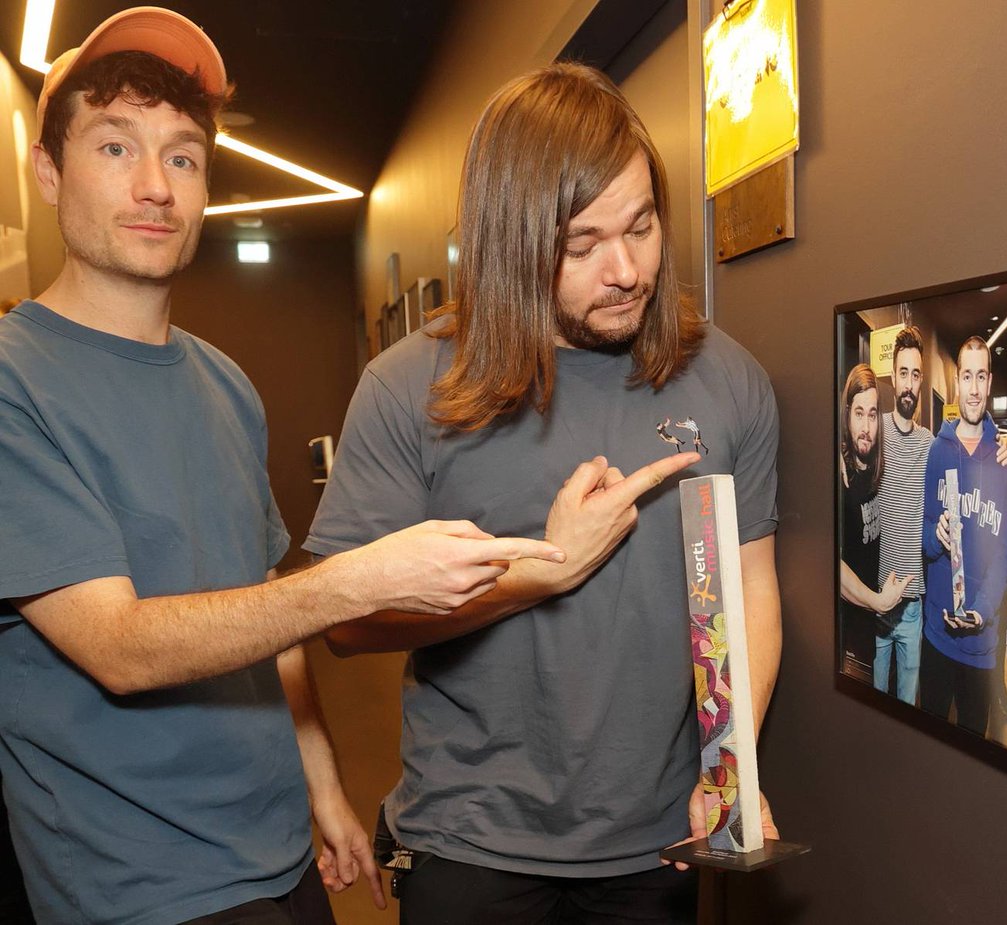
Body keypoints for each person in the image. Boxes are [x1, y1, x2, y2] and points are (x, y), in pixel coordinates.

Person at [0, 10, 562, 924]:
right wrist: (349, 583)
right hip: (136, 887)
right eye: (115, 147)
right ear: (49, 169)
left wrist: (324, 786)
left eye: (182, 157)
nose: (154, 186)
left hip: (279, 855)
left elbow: (263, 599)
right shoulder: (13, 380)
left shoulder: (223, 380)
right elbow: (117, 647)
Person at [304, 62, 782, 924]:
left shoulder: (728, 379)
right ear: (512, 241)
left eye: (642, 225)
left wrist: (732, 765)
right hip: (470, 838)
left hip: (657, 838)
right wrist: (544, 571)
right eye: (583, 244)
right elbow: (345, 622)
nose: (628, 268)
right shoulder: (407, 386)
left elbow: (749, 591)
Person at [920, 337, 1007, 735]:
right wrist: (934, 536)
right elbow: (922, 539)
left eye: (981, 376)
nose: (974, 389)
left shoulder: (1004, 458)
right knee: (930, 749)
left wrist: (982, 608)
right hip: (937, 637)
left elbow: (1005, 552)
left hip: (980, 647)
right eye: (967, 377)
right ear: (957, 382)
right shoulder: (938, 452)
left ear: (989, 382)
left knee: (975, 762)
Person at [838, 364, 911, 676]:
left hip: (874, 630)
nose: (865, 426)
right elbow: (833, 566)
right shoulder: (840, 475)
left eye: (871, 415)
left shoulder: (874, 467)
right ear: (847, 415)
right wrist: (877, 601)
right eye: (858, 413)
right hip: (847, 637)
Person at [874, 326, 933, 703]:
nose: (909, 383)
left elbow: (968, 445)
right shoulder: (874, 429)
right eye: (903, 373)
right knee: (873, 706)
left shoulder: (930, 442)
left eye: (915, 374)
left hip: (912, 607)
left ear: (920, 380)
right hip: (877, 602)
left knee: (908, 708)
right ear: (893, 378)